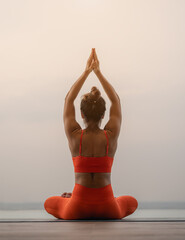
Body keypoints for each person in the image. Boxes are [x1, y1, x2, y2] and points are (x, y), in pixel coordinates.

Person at [44, 48, 138, 219]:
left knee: (49, 202)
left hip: (77, 207)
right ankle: (112, 200)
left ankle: (71, 198)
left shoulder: (74, 135)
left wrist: (86, 71)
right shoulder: (110, 135)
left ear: (81, 114)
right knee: (132, 201)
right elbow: (116, 100)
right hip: (108, 207)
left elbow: (68, 100)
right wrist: (98, 73)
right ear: (103, 115)